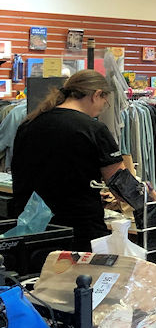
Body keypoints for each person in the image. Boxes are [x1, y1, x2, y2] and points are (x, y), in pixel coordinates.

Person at [10, 70, 128, 250]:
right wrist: (148, 194)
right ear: (96, 95)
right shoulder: (93, 129)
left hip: (34, 230)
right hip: (79, 232)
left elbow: (45, 174)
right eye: (105, 102)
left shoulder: (29, 124)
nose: (103, 108)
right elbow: (123, 187)